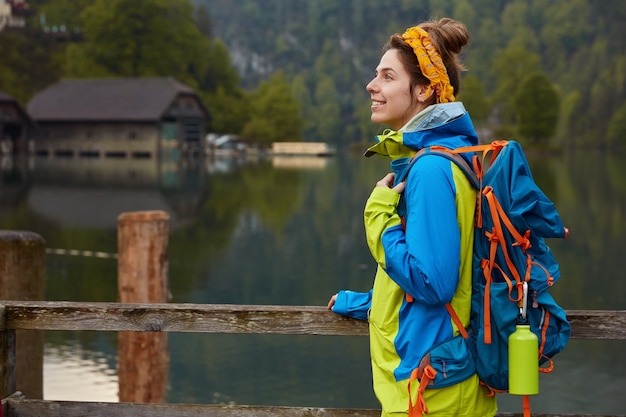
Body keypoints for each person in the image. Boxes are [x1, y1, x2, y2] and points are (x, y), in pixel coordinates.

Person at [327, 18, 498, 417]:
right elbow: (447, 277)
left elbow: (434, 284)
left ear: (422, 90)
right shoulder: (440, 160)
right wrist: (372, 304)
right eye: (376, 75)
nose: (372, 86)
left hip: (434, 392)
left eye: (387, 76)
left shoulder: (430, 171)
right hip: (433, 383)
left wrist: (377, 216)